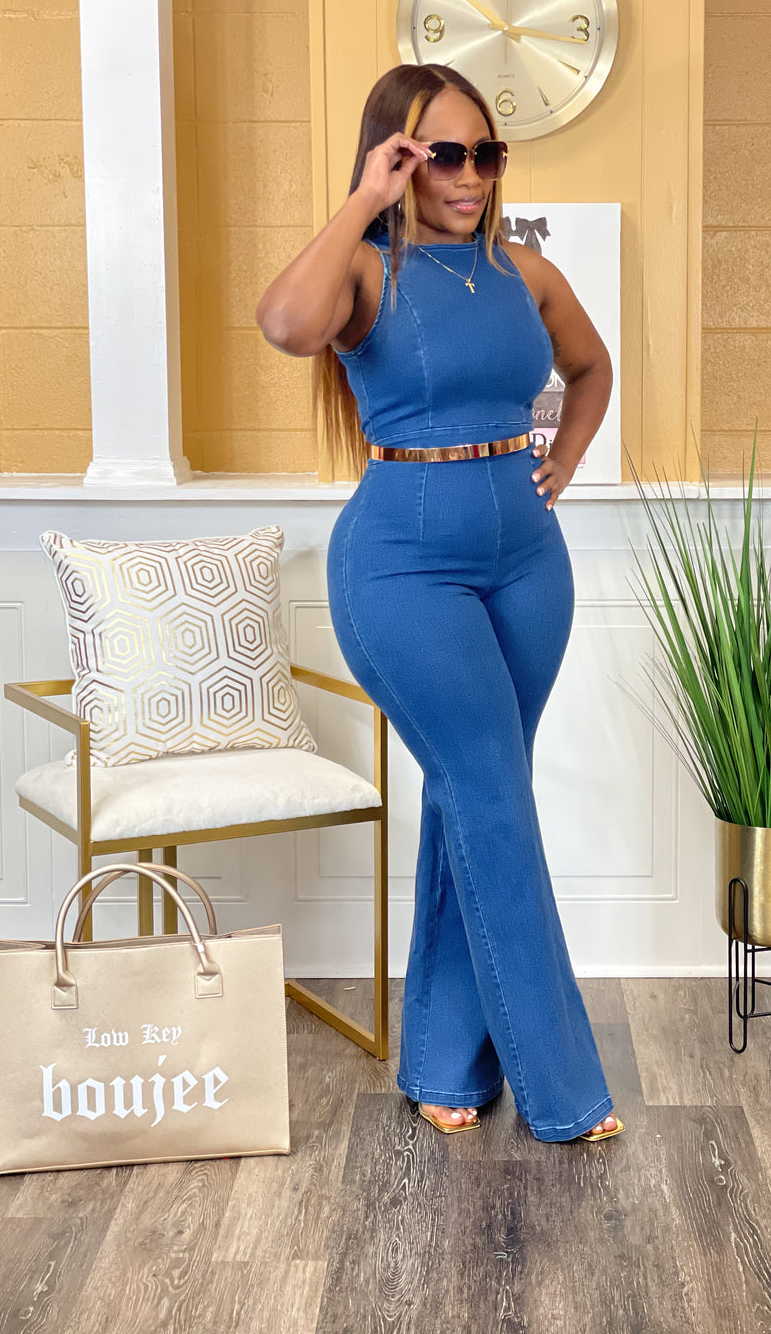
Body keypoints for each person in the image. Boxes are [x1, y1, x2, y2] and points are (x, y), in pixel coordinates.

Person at [255, 63, 622, 1143]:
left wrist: (565, 461)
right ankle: (564, 1091)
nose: (470, 174)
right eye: (442, 154)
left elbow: (592, 370)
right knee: (491, 793)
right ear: (397, 157)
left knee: (480, 792)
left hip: (529, 563)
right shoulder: (364, 274)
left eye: (485, 153)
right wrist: (366, 201)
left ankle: (443, 1067)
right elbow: (284, 323)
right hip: (401, 570)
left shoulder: (525, 271)